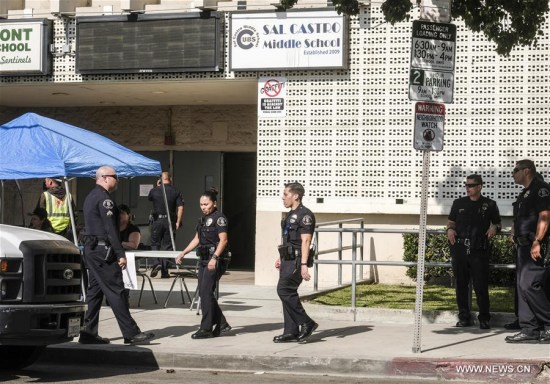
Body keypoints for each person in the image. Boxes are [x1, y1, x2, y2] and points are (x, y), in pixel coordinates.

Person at [79, 165, 153, 345]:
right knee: (116, 290)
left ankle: (88, 332)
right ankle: (131, 333)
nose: (117, 180)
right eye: (115, 176)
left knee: (95, 292)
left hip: (93, 250)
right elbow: (111, 230)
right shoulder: (105, 200)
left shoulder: (90, 196)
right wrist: (120, 254)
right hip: (104, 252)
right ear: (104, 177)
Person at [446, 174, 502, 329]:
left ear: (479, 187)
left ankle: (484, 318)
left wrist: (494, 227)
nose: (467, 188)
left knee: (480, 285)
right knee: (461, 284)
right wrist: (450, 229)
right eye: (466, 185)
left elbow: (498, 223)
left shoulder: (489, 204)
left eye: (470, 185)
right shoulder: (458, 203)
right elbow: (451, 221)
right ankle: (464, 317)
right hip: (460, 248)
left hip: (479, 249)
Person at [175, 188, 231, 339]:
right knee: (203, 291)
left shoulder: (219, 218)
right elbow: (197, 239)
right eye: (201, 204)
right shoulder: (203, 219)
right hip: (204, 259)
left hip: (215, 259)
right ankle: (222, 323)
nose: (203, 207)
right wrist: (183, 252)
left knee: (206, 292)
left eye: (206, 204)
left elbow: (223, 240)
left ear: (214, 203)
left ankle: (206, 328)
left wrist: (215, 258)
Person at [505, 160, 550, 344]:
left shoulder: (541, 189)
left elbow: (545, 215)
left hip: (535, 246)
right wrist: (515, 231)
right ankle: (529, 329)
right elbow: (522, 218)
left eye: (515, 170)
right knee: (522, 287)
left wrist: (537, 241)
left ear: (526, 170)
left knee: (530, 285)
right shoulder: (524, 194)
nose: (513, 174)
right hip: (523, 247)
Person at [274, 182, 318, 343]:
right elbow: (287, 239)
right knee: (287, 293)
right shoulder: (289, 215)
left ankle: (307, 322)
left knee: (284, 290)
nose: (283, 197)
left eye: (286, 194)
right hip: (287, 259)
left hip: (298, 260)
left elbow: (306, 241)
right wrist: (281, 257)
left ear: (296, 196)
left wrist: (304, 265)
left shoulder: (305, 215)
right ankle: (290, 331)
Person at [148, 172, 184, 278]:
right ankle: (165, 271)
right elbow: (181, 207)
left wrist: (158, 186)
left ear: (160, 179)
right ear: (170, 179)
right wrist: (178, 221)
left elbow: (150, 198)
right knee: (167, 247)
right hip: (170, 222)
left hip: (157, 221)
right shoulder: (176, 191)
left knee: (155, 243)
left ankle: (156, 263)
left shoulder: (154, 191)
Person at [119, 204, 141, 308]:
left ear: (128, 215)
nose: (119, 216)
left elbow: (134, 245)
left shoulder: (133, 229)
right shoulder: (113, 227)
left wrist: (119, 242)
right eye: (118, 213)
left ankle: (124, 297)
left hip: (130, 260)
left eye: (122, 213)